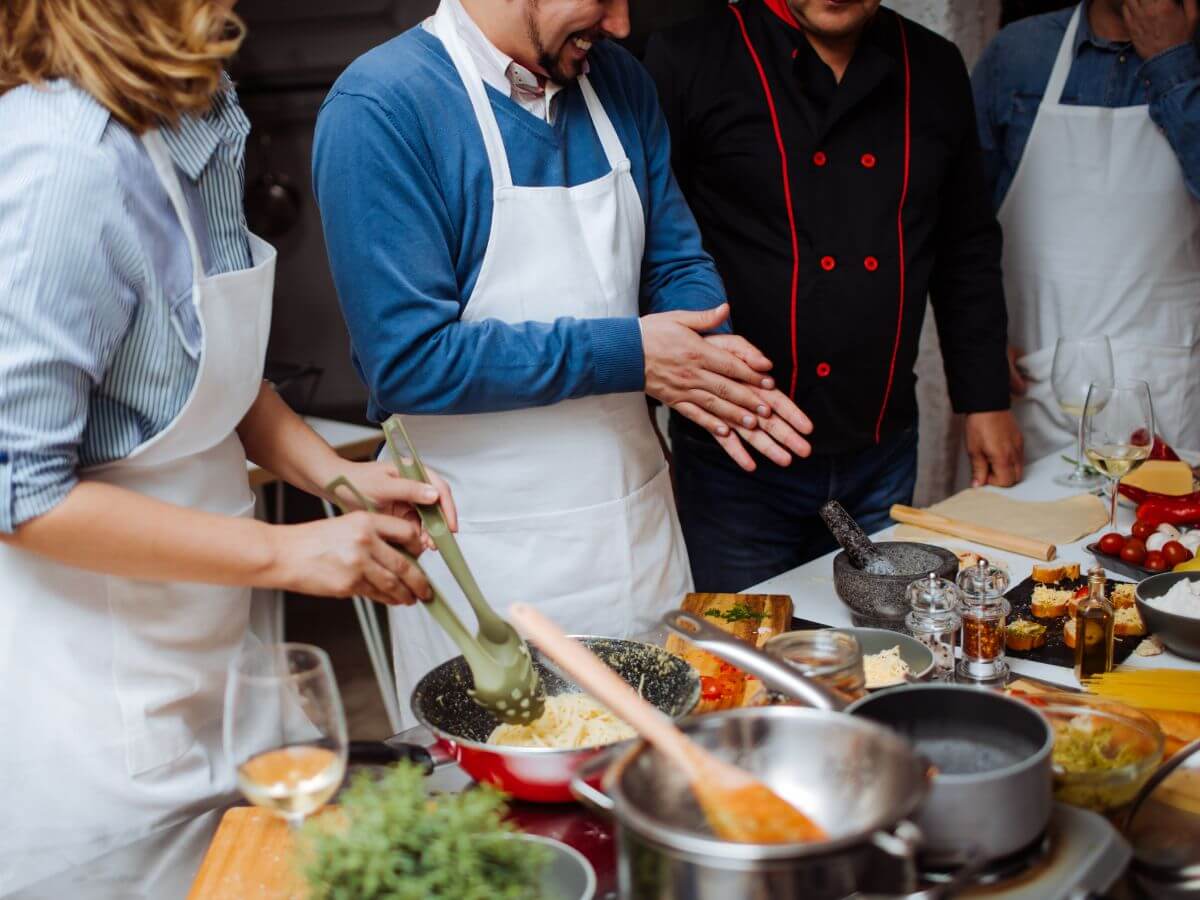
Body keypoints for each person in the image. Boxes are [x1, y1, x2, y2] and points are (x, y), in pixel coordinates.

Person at [0, 1, 456, 895]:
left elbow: (213, 370)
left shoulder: (192, 110)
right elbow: (19, 491)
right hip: (90, 727)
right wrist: (289, 550)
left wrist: (339, 479)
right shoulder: (59, 162)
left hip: (214, 678)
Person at [313, 0, 815, 722]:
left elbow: (676, 261)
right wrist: (635, 354)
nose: (618, 24)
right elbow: (409, 360)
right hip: (488, 566)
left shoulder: (620, 83)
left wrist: (705, 356)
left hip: (638, 540)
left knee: (662, 783)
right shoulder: (382, 108)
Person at [643, 0, 1024, 592]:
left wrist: (984, 401)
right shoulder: (689, 56)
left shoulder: (933, 66)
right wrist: (642, 430)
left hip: (881, 451)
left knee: (882, 656)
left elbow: (964, 244)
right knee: (745, 667)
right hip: (736, 461)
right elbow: (644, 247)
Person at [975, 0, 1200, 457]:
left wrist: (1172, 65)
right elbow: (957, 221)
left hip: (1171, 394)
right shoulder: (1018, 54)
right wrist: (977, 344)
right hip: (1032, 388)